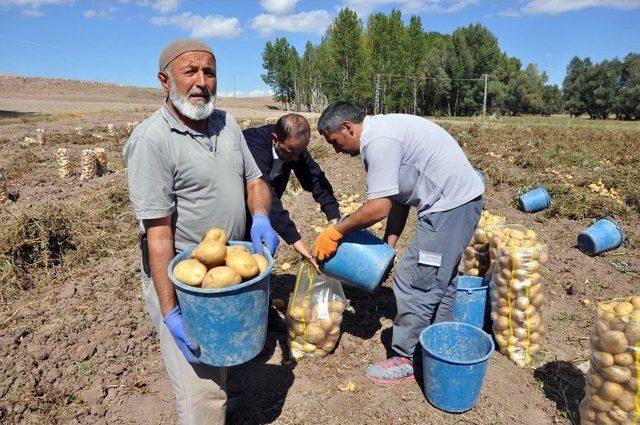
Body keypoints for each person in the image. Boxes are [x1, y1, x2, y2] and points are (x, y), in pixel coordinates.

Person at [123, 39, 279, 424]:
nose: (201, 82)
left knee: (230, 362)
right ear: (165, 80)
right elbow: (158, 235)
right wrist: (171, 310)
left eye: (208, 72)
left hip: (231, 273)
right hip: (187, 285)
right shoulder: (151, 141)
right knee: (202, 393)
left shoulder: (227, 125)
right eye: (189, 71)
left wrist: (261, 217)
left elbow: (255, 181)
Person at [312, 101, 484, 384]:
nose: (336, 150)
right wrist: (387, 247)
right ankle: (439, 344)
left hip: (451, 207)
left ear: (347, 128)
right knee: (440, 279)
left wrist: (337, 231)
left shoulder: (378, 142)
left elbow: (378, 207)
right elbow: (398, 201)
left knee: (412, 278)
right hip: (456, 203)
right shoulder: (381, 135)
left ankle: (405, 357)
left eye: (334, 142)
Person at [243, 114, 340, 263]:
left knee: (256, 260)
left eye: (299, 153)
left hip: (261, 210)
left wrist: (334, 218)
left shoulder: (293, 149)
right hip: (235, 206)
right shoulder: (253, 145)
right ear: (275, 139)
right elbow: (265, 191)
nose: (295, 159)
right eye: (290, 152)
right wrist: (296, 240)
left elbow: (315, 178)